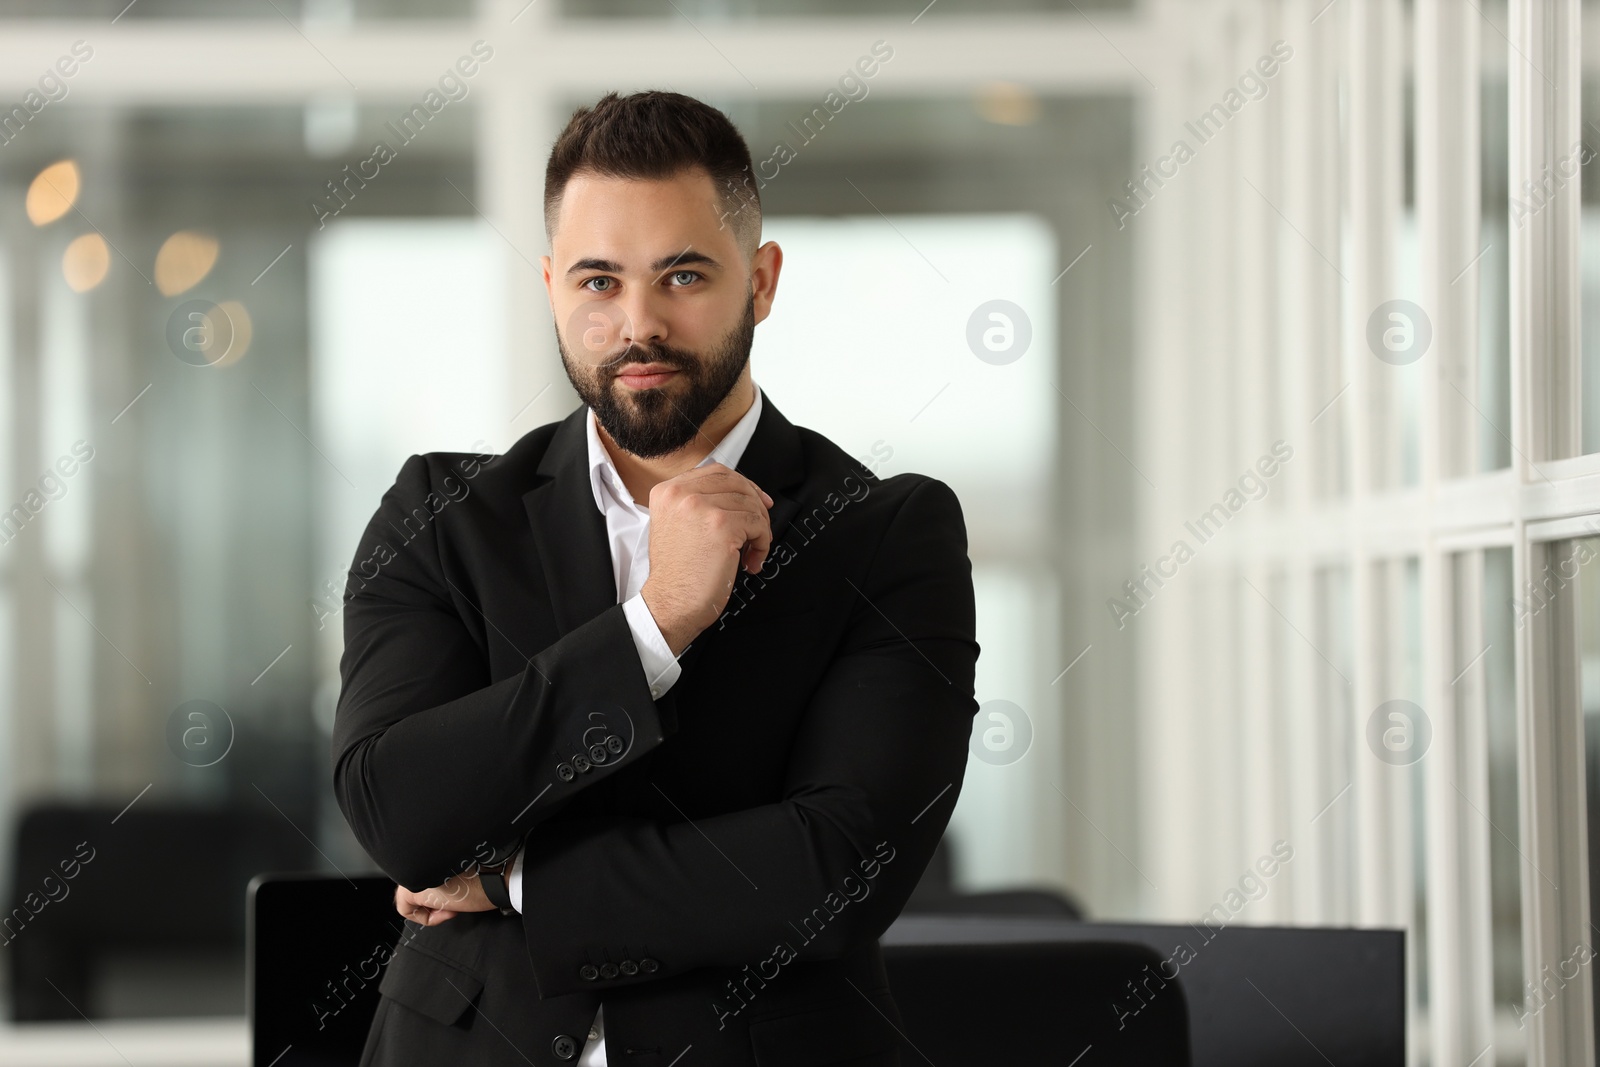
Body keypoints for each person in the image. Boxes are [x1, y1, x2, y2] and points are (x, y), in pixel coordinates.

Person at [332, 89, 980, 1066]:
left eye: (682, 274)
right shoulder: (441, 513)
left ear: (759, 281)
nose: (638, 324)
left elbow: (837, 871)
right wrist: (652, 625)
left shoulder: (888, 531)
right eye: (598, 281)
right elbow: (399, 809)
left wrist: (516, 878)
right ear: (552, 284)